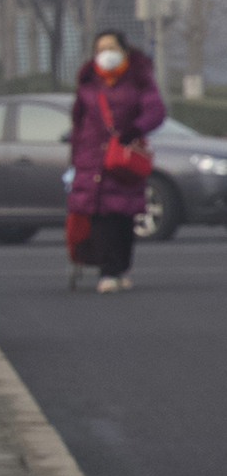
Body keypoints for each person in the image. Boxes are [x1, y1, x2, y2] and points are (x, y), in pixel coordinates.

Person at [66, 28, 164, 293]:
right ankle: (107, 271)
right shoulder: (88, 84)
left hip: (123, 159)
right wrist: (74, 158)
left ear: (124, 50)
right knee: (99, 215)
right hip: (92, 159)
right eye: (100, 49)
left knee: (123, 215)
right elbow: (78, 124)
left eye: (111, 48)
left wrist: (134, 129)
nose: (105, 54)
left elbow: (156, 110)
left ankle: (120, 268)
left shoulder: (138, 80)